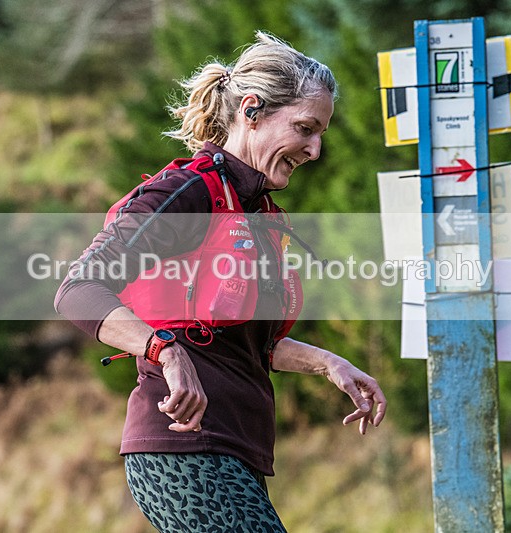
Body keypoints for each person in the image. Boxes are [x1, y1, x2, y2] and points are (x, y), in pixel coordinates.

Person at [54, 31, 386, 532]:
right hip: (185, 449)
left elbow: (251, 343)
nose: (315, 150)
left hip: (237, 451)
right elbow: (77, 289)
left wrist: (328, 364)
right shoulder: (187, 192)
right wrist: (164, 349)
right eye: (304, 128)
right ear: (252, 110)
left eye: (321, 134)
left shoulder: (261, 214)